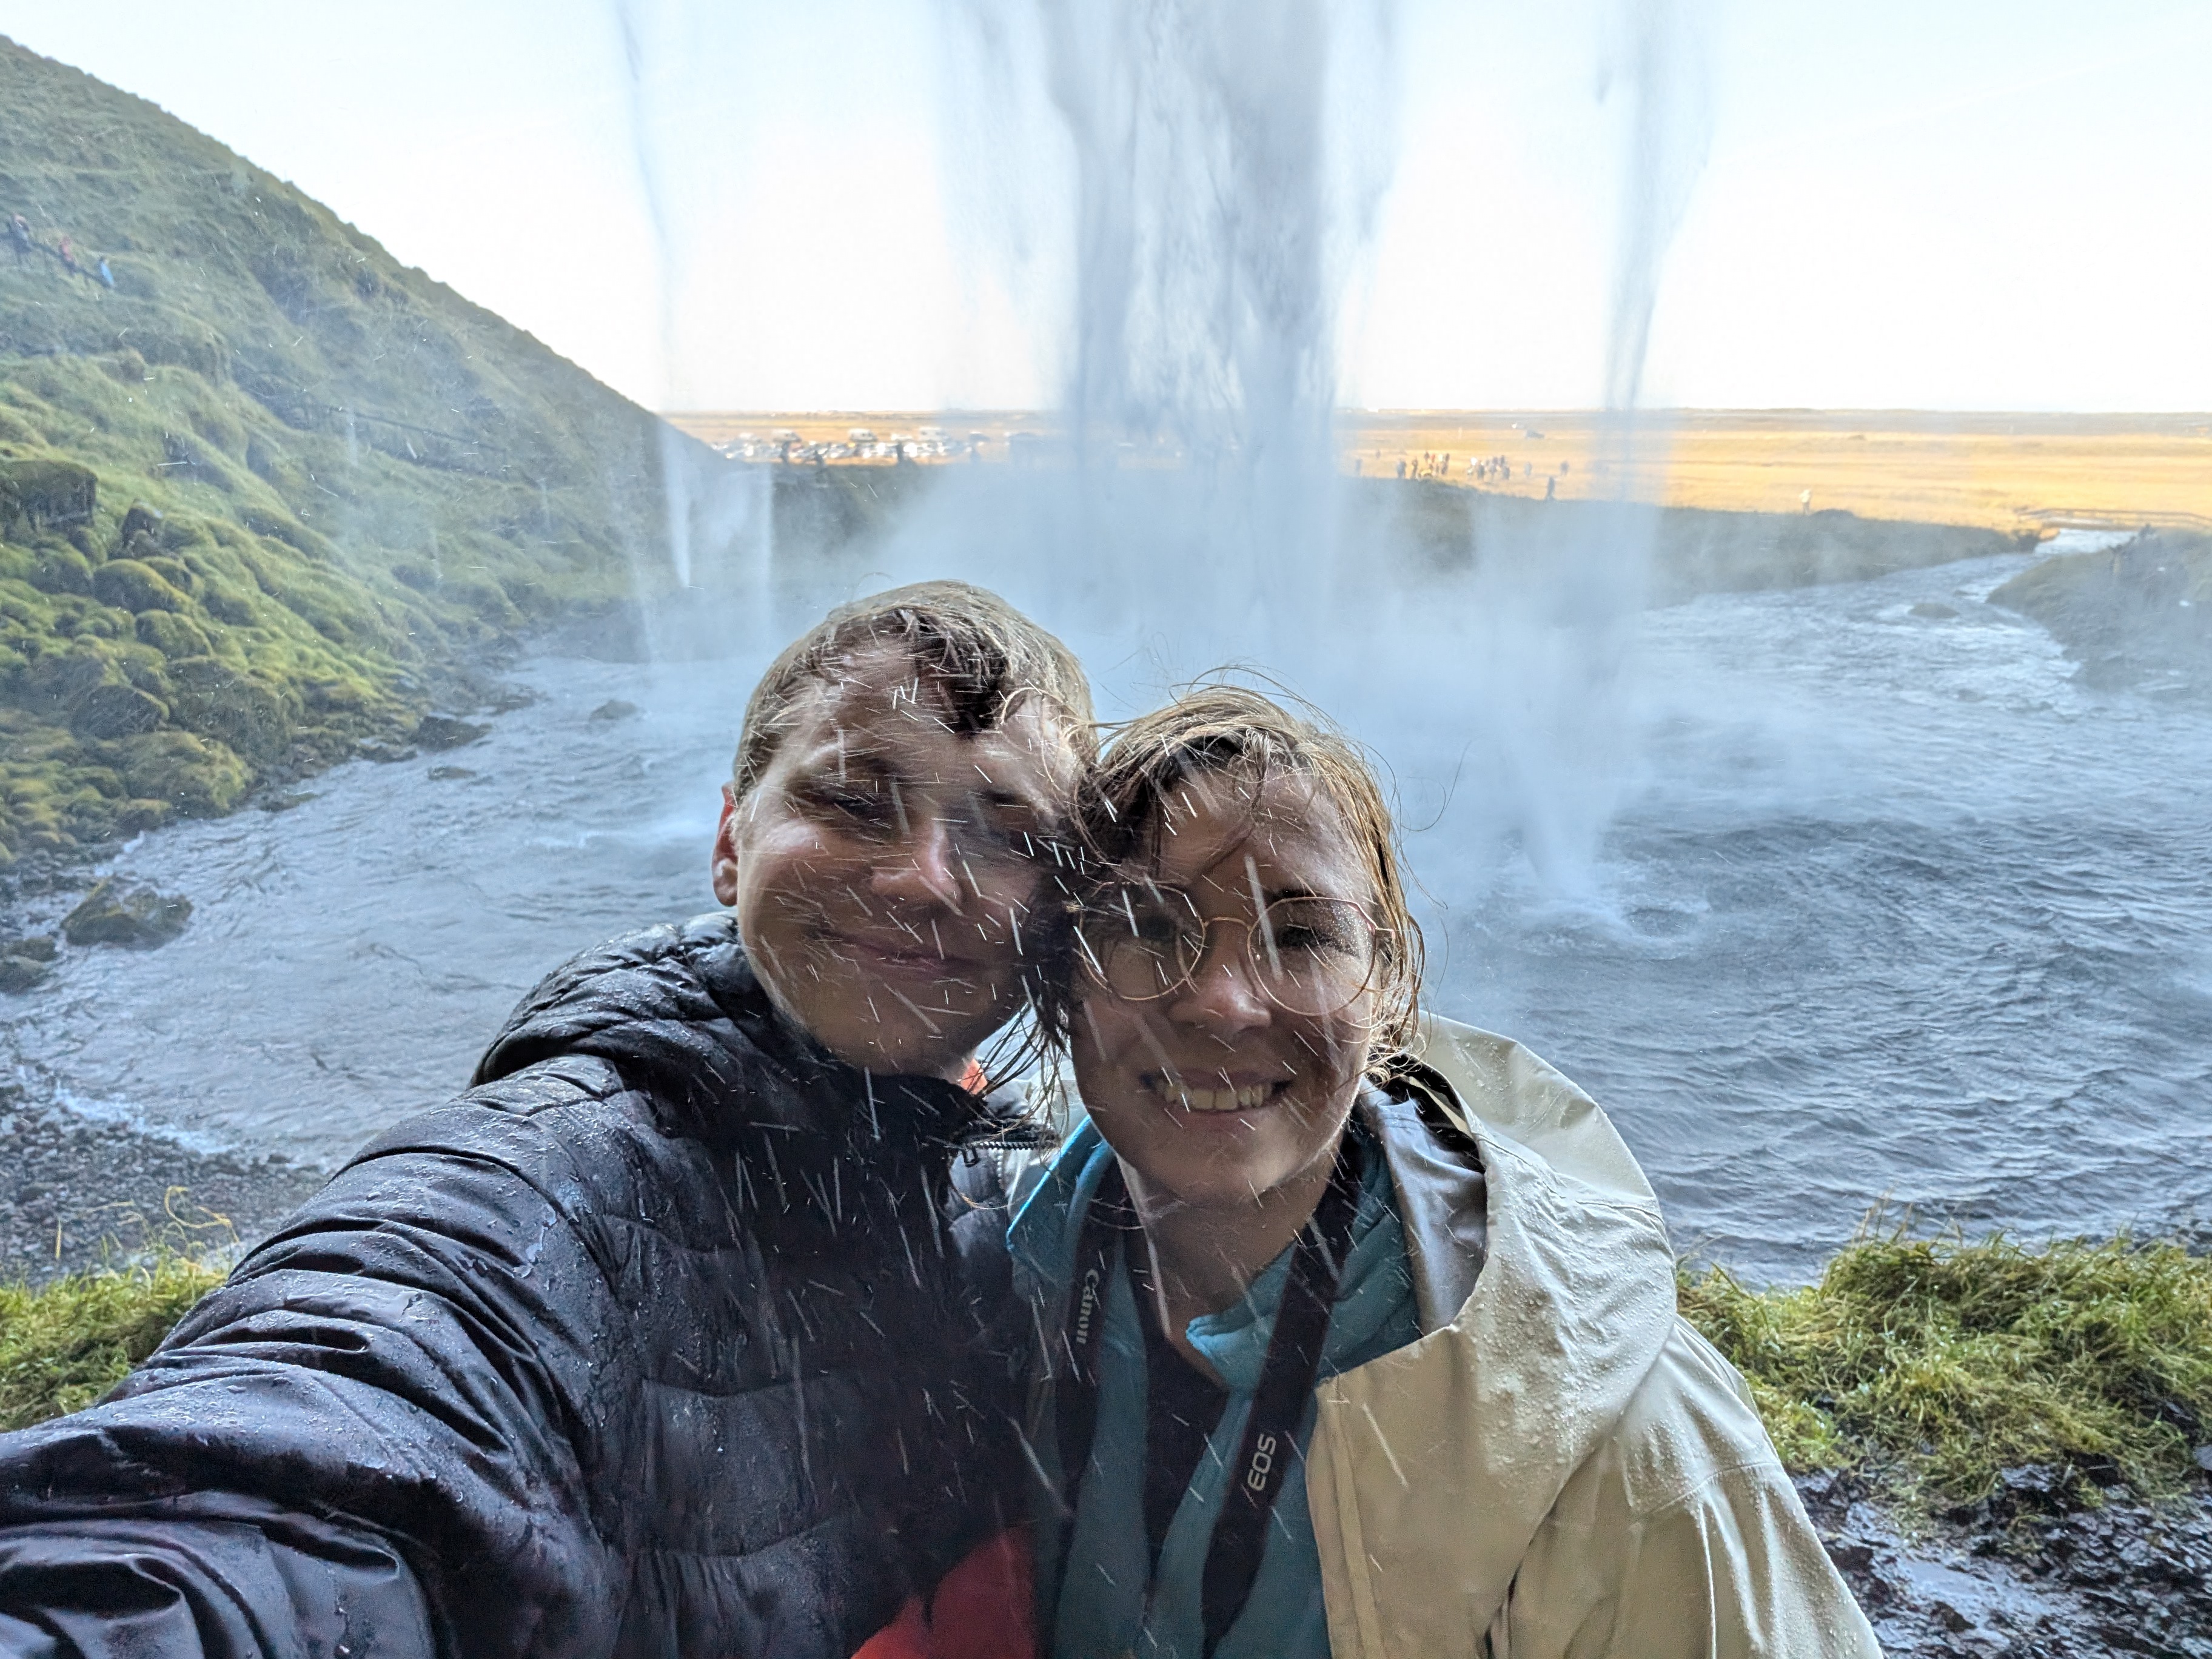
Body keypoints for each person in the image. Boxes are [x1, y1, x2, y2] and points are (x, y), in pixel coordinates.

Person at [0, 581, 1092, 1659]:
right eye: (854, 802)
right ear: (729, 841)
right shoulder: (550, 1182)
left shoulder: (1000, 1185)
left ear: (1072, 906)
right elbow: (317, 1444)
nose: (920, 878)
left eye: (1011, 838)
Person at [1013, 686, 1877, 1658]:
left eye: (1300, 937)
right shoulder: (1008, 1278)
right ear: (1058, 984)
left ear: (1386, 989)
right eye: (1148, 927)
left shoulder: (1617, 1441)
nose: (1222, 1003)